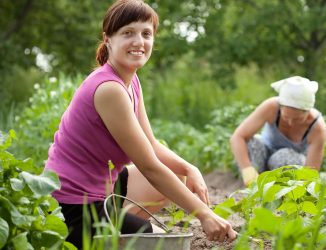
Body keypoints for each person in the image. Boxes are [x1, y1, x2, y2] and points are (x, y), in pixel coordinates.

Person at [44, 0, 236, 248]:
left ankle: (117, 227)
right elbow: (149, 167)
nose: (139, 41)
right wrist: (205, 215)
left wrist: (191, 169)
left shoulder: (130, 80)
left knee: (178, 175)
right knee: (156, 240)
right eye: (128, 33)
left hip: (104, 189)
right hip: (72, 206)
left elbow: (152, 145)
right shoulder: (109, 89)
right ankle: (109, 231)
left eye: (146, 34)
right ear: (108, 38)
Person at [230, 76, 326, 186]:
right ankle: (253, 187)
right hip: (264, 157)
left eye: (297, 119)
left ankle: (279, 191)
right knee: (251, 144)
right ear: (280, 107)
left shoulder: (317, 128)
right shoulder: (271, 107)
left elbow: (311, 173)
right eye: (286, 117)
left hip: (285, 167)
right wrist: (247, 169)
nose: (290, 123)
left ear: (308, 111)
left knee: (283, 157)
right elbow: (237, 137)